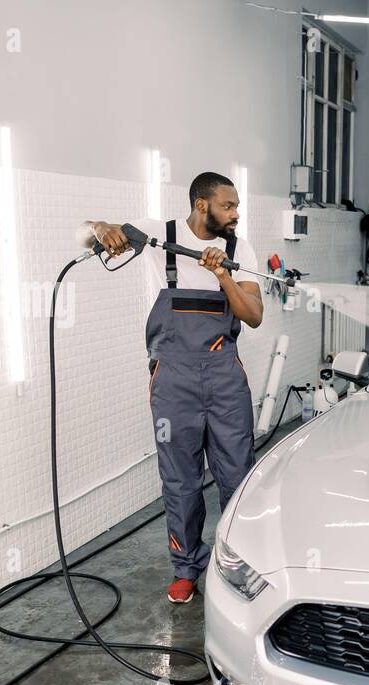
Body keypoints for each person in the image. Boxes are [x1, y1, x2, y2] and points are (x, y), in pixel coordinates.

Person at [78, 172, 263, 603]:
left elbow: (253, 315)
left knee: (237, 475)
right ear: (202, 205)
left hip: (223, 379)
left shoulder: (240, 248)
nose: (235, 214)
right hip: (173, 381)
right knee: (180, 480)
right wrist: (102, 229)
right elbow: (86, 231)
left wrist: (224, 277)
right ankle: (185, 569)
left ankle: (239, 566)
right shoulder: (160, 235)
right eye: (228, 206)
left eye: (236, 207)